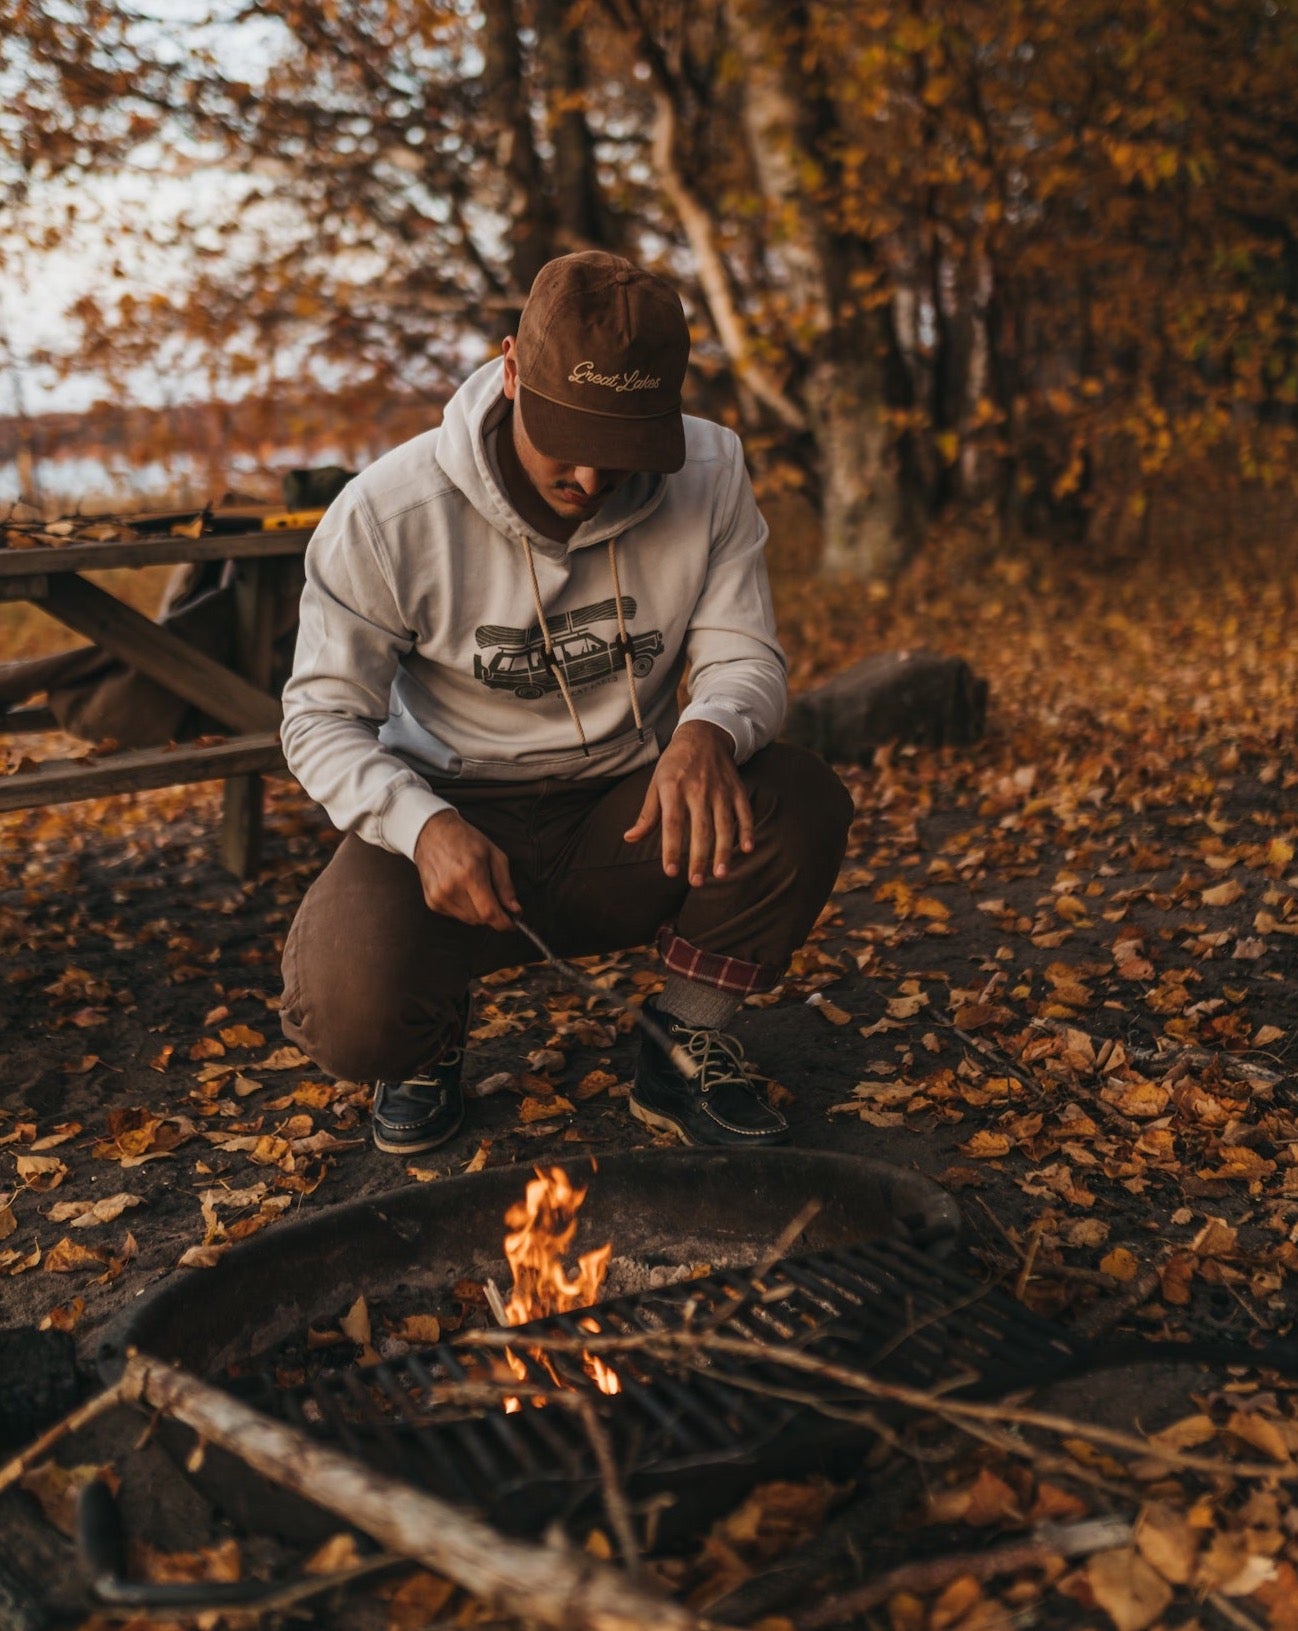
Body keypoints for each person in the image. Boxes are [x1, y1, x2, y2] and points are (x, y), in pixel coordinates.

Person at [277, 251, 854, 1155]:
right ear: (510, 371)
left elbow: (743, 652)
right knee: (348, 1008)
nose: (590, 478)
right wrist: (420, 825)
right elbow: (318, 716)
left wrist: (707, 729)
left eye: (622, 449)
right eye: (567, 438)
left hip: (626, 810)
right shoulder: (387, 515)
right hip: (456, 810)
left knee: (796, 800)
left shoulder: (711, 472)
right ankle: (425, 1050)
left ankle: (681, 1043)